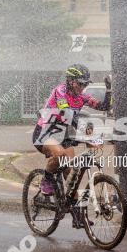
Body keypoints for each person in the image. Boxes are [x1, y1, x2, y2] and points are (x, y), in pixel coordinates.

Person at [34, 64, 112, 199]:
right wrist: (88, 136)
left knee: (71, 177)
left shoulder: (82, 97)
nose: (83, 88)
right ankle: (46, 179)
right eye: (80, 84)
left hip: (63, 134)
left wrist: (109, 90)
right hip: (45, 132)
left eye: (85, 84)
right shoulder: (60, 92)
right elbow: (68, 116)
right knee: (59, 155)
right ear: (70, 81)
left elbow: (104, 106)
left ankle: (78, 217)